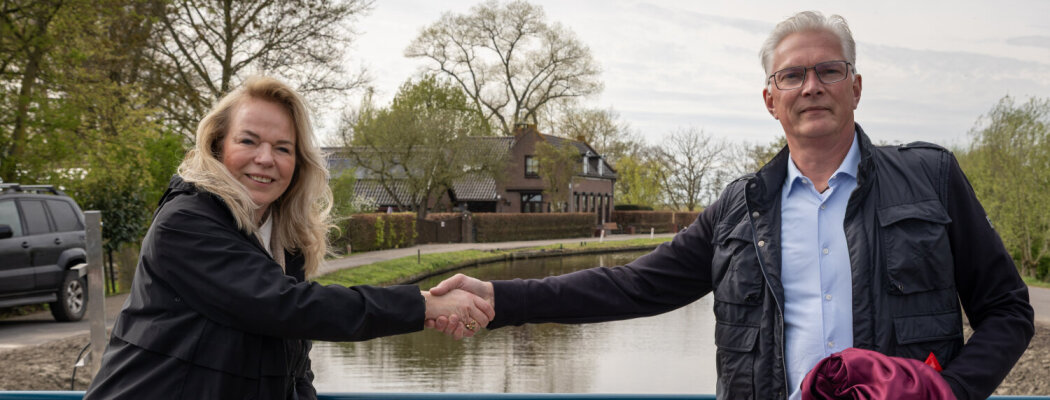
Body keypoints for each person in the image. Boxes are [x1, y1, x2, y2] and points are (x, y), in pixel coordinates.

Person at [429, 11, 1035, 400]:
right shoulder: (739, 208)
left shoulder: (931, 178)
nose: (812, 86)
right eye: (793, 76)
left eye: (829, 69)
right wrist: (500, 297)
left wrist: (949, 393)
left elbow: (1008, 310)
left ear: (856, 86)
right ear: (771, 99)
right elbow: (631, 288)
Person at [84, 76, 492, 399]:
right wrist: (422, 305)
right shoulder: (186, 222)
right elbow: (286, 307)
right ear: (216, 146)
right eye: (248, 141)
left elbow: (293, 359)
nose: (265, 159)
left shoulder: (283, 238)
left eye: (283, 148)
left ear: (298, 164)